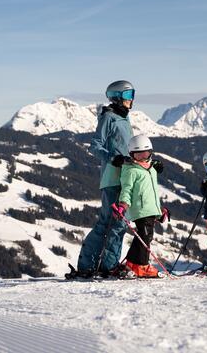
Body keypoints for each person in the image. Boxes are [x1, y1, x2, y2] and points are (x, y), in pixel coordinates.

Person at [71, 80, 135, 278]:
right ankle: (92, 264)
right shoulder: (109, 117)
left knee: (118, 223)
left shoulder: (124, 119)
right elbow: (95, 145)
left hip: (124, 176)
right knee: (109, 222)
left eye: (132, 94)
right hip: (111, 177)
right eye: (126, 95)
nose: (130, 99)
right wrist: (113, 158)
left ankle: (108, 264)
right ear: (116, 98)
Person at [112, 134, 166, 278]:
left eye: (146, 154)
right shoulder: (130, 170)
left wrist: (159, 210)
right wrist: (122, 206)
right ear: (131, 155)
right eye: (139, 155)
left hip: (150, 209)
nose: (143, 158)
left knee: (142, 237)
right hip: (140, 209)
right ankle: (142, 266)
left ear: (151, 153)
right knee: (146, 236)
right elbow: (126, 190)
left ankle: (132, 263)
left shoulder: (151, 169)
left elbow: (152, 192)